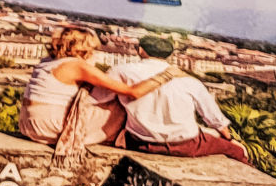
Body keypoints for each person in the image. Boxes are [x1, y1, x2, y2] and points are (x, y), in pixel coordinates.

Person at [103, 33, 250, 163]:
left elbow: (101, 99)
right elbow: (214, 118)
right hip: (186, 145)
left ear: (140, 50)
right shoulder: (190, 81)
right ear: (168, 55)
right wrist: (230, 139)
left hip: (140, 142)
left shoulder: (120, 72)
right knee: (236, 151)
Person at [17, 27, 151, 147]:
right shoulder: (77, 66)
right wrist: (161, 76)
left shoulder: (48, 61)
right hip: (48, 126)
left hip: (27, 125)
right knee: (119, 102)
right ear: (83, 48)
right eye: (92, 49)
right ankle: (126, 140)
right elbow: (133, 92)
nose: (93, 53)